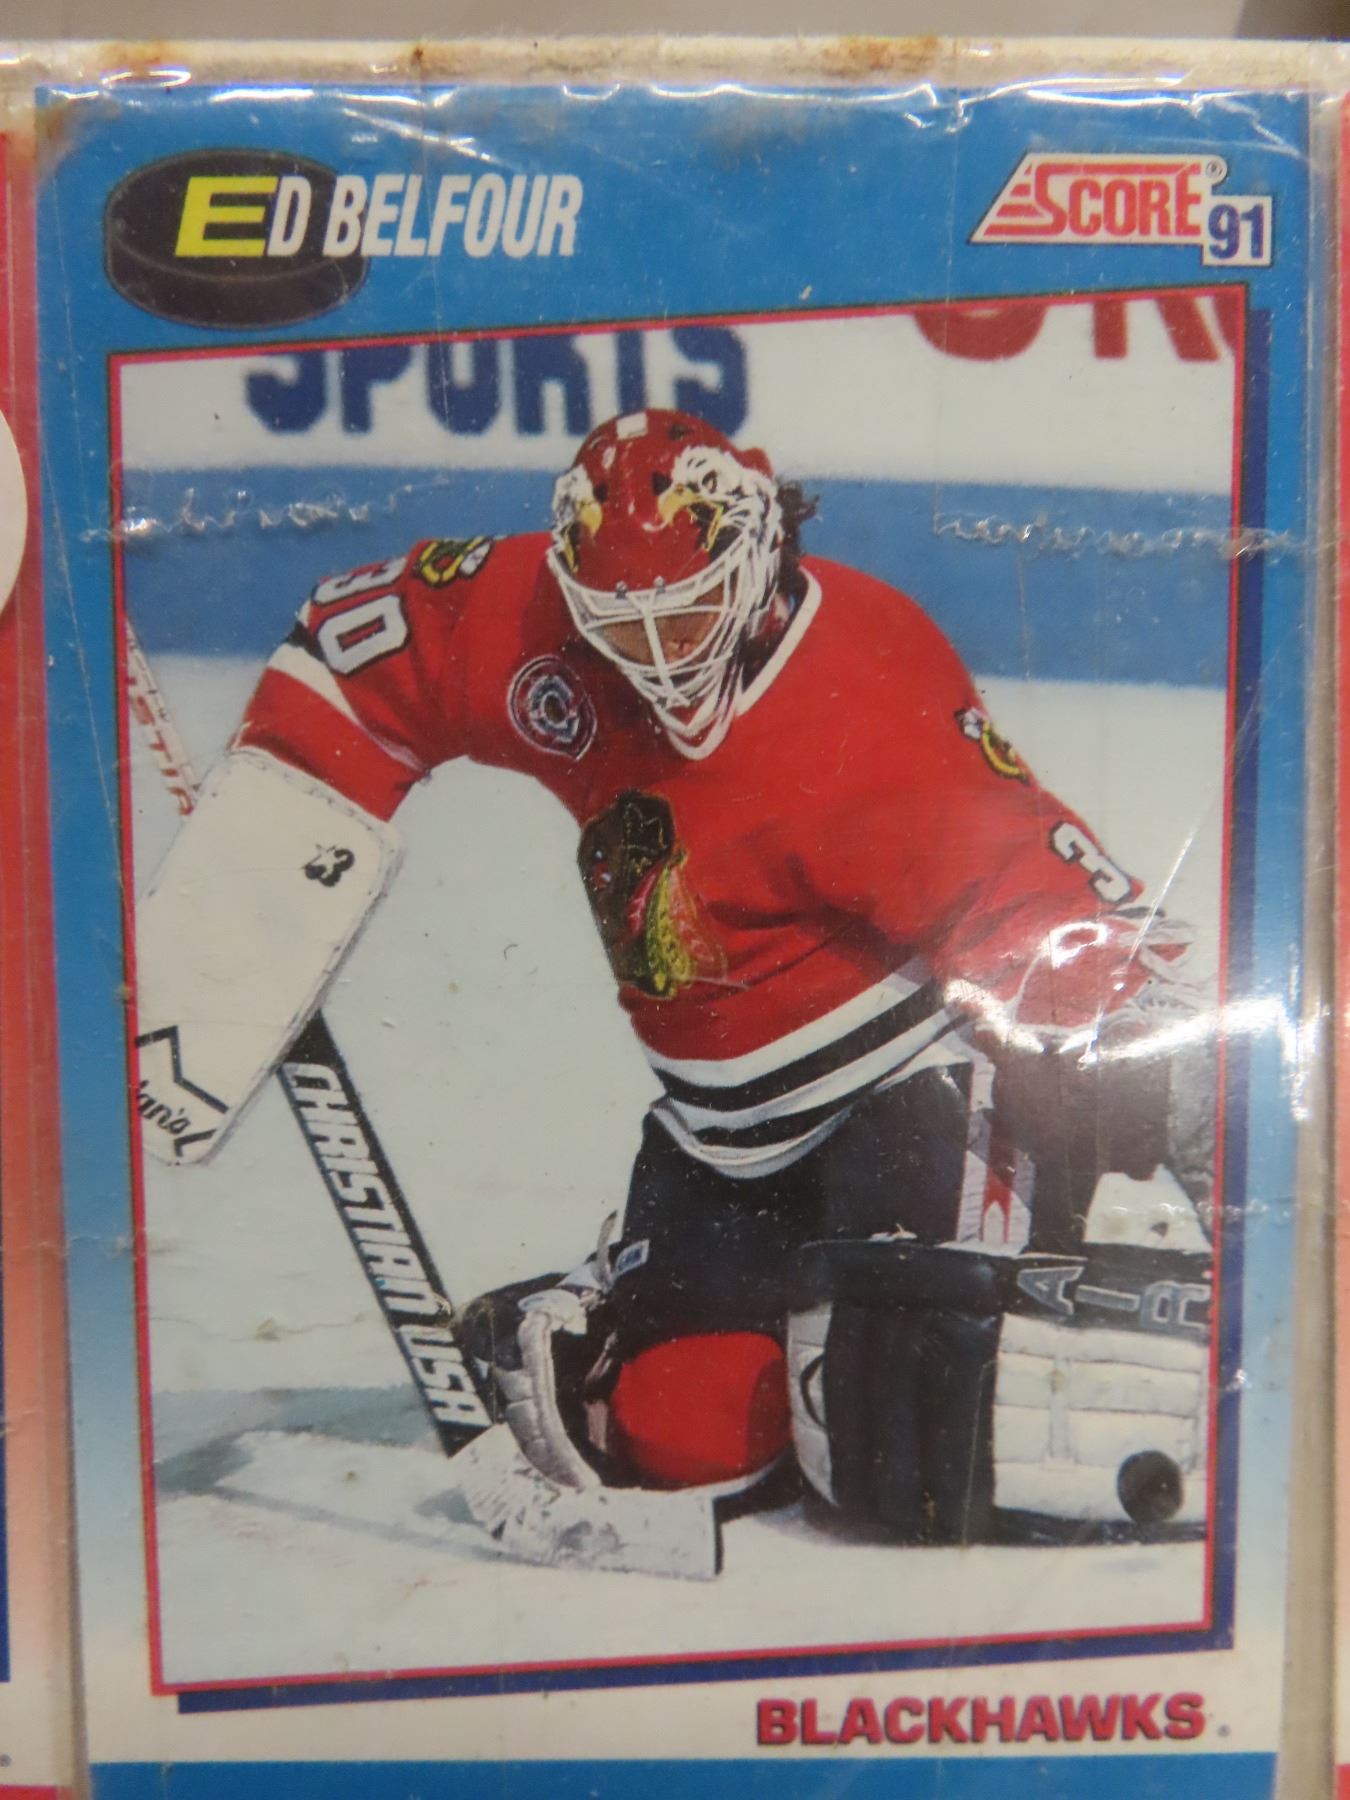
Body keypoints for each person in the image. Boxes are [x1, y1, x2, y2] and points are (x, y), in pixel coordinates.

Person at [139, 408, 1215, 1547]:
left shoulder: (867, 677)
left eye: (689, 614)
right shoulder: (541, 624)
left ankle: (910, 1297)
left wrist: (1148, 1066)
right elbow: (359, 643)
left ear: (754, 563)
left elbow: (1029, 891)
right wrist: (268, 868)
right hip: (719, 1140)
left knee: (909, 1431)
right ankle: (624, 1306)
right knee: (681, 1433)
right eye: (620, 626)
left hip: (911, 1103)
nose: (657, 658)